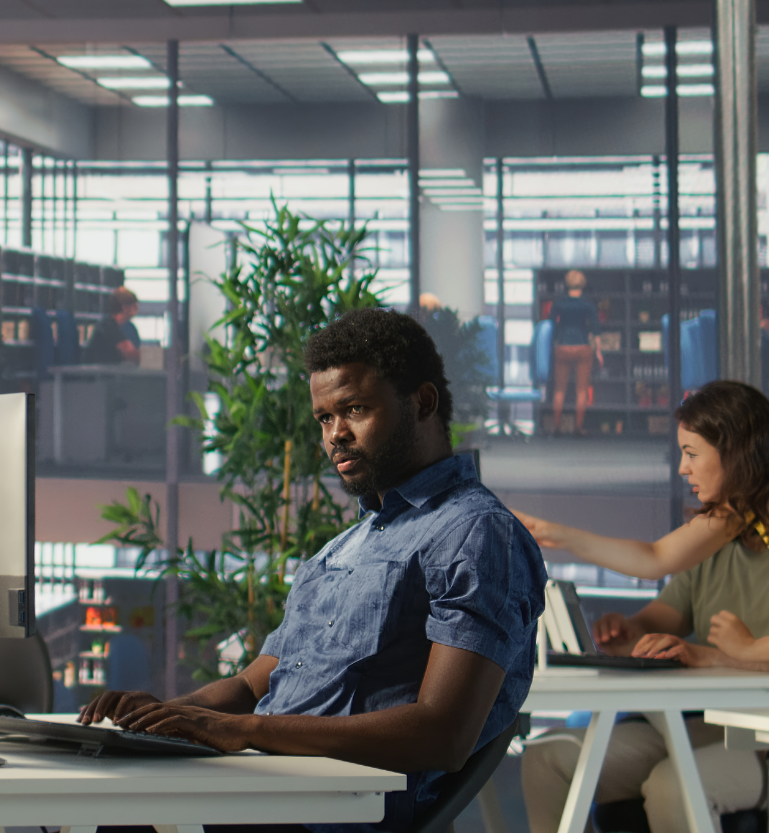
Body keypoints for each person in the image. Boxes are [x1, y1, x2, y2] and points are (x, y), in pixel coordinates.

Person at [79, 307, 545, 833]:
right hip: (262, 788)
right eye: (325, 418)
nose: (335, 435)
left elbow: (445, 733)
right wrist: (158, 721)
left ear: (423, 402)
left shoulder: (477, 533)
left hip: (325, 810)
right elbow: (253, 684)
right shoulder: (342, 548)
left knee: (104, 818)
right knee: (86, 800)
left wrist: (246, 731)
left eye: (355, 409)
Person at [518, 381, 769, 833]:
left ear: (735, 452)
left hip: (758, 741)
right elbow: (657, 576)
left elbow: (652, 562)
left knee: (674, 787)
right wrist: (627, 633)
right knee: (547, 759)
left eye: (692, 454)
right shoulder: (725, 526)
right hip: (705, 727)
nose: (681, 469)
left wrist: (743, 650)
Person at [548, 270, 601, 432]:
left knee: (559, 390)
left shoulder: (558, 304)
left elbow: (551, 327)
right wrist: (598, 352)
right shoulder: (587, 305)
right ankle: (578, 427)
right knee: (581, 390)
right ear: (583, 285)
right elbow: (596, 331)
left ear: (567, 284)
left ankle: (556, 427)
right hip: (582, 347)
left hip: (562, 347)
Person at [86, 288, 142, 365]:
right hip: (99, 374)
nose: (137, 309)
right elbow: (130, 354)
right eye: (134, 306)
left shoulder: (111, 324)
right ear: (125, 307)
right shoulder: (109, 327)